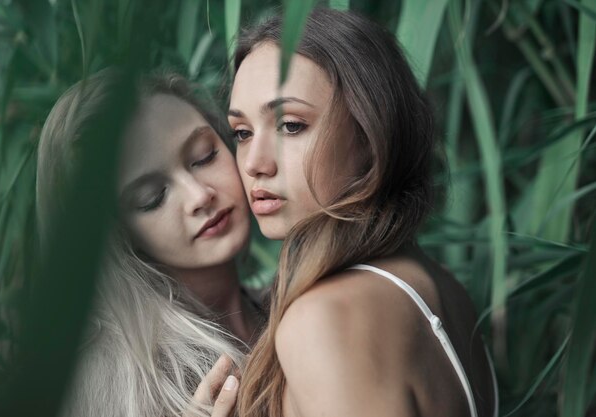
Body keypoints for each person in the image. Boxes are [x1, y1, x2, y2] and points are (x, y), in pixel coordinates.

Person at [227, 8, 498, 417]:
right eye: (243, 133)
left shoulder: (325, 319)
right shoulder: (440, 287)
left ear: (369, 136)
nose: (254, 163)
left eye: (291, 125)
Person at [36, 69, 263, 417]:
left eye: (204, 156)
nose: (200, 195)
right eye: (152, 197)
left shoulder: (299, 300)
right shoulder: (115, 384)